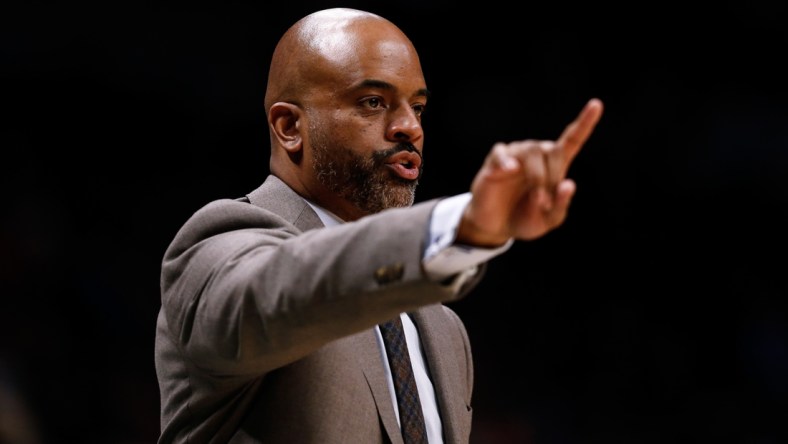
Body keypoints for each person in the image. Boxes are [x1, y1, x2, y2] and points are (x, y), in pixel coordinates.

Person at [154, 6, 604, 444]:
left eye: (419, 107)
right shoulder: (218, 246)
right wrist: (457, 225)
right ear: (290, 126)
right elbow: (282, 291)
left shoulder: (445, 331)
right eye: (373, 102)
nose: (410, 127)